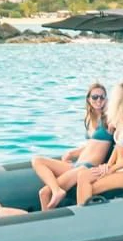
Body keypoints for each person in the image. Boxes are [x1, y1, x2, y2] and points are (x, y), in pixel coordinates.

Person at [31, 82, 115, 210]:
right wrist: (72, 153)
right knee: (37, 160)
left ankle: (48, 222)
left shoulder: (109, 118)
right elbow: (91, 146)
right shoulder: (91, 120)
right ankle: (56, 190)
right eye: (95, 97)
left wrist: (109, 165)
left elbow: (120, 134)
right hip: (76, 165)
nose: (98, 100)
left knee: (44, 193)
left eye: (102, 97)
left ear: (106, 99)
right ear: (88, 99)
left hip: (87, 168)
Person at [76, 84, 123, 205]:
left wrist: (112, 168)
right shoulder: (122, 119)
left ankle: (86, 219)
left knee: (91, 188)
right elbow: (118, 147)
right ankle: (81, 216)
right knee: (83, 176)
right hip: (117, 168)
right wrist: (107, 166)